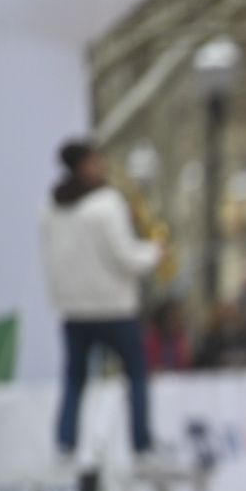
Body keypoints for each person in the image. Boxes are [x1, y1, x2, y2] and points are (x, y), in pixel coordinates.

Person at [40, 138, 162, 462]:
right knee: (136, 375)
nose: (103, 167)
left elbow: (51, 261)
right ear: (84, 165)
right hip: (114, 308)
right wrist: (153, 254)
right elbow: (125, 256)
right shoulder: (107, 204)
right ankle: (142, 445)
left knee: (75, 380)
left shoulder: (51, 208)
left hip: (74, 310)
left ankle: (65, 443)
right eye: (97, 161)